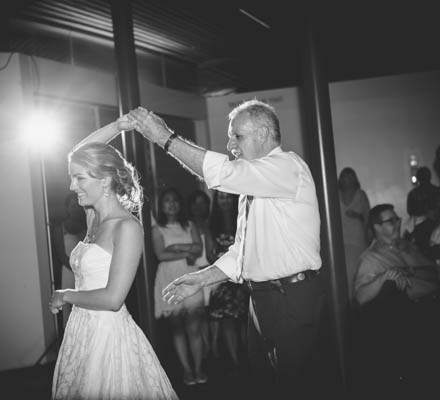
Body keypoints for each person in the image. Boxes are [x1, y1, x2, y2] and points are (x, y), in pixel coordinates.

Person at [127, 100, 325, 398]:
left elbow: (222, 173)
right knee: (265, 383)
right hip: (261, 297)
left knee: (293, 387)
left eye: (237, 136)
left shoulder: (287, 167)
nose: (230, 144)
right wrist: (201, 278)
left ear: (263, 133)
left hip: (290, 297)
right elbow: (242, 252)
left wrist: (163, 137)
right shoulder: (257, 182)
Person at [48, 117, 178, 399]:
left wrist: (66, 295)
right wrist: (118, 127)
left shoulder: (127, 228)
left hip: (108, 335)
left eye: (79, 178)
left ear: (104, 179)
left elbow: (112, 298)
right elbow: (79, 151)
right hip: (81, 329)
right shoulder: (93, 214)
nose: (72, 186)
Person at [352, 203, 439, 395]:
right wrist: (384, 277)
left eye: (397, 219)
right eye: (390, 221)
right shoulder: (370, 258)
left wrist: (408, 269)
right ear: (377, 227)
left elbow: (434, 273)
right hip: (411, 319)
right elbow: (360, 297)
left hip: (434, 305)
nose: (398, 224)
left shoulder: (407, 247)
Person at [152, 187, 208, 386]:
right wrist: (186, 252)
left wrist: (175, 247)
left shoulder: (190, 224)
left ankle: (199, 368)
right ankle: (187, 370)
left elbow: (198, 248)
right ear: (162, 205)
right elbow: (161, 255)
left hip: (190, 277)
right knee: (177, 328)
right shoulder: (157, 229)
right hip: (168, 277)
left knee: (194, 327)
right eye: (167, 200)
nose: (171, 204)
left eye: (175, 200)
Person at [207, 189, 249, 371]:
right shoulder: (212, 224)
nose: (224, 201)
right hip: (222, 279)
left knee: (244, 319)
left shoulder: (241, 220)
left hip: (242, 276)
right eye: (221, 197)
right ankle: (235, 361)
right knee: (228, 321)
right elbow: (209, 254)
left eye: (227, 197)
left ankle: (248, 356)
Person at [50, 192, 86, 332]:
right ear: (67, 208)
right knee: (68, 305)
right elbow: (60, 253)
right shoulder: (60, 228)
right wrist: (74, 268)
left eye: (77, 205)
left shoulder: (87, 225)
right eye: (72, 205)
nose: (75, 208)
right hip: (68, 270)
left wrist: (82, 269)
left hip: (84, 270)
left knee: (83, 302)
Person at [186, 189, 216, 357]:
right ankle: (203, 351)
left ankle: (211, 348)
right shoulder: (188, 225)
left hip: (211, 274)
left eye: (203, 203)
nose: (199, 207)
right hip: (194, 274)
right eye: (195, 203)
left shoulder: (211, 224)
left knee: (211, 316)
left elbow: (212, 253)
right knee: (198, 316)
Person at [337, 167, 371, 301]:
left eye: (350, 176)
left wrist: (357, 215)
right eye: (345, 176)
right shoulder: (335, 193)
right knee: (343, 275)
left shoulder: (361, 194)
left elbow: (368, 218)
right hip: (340, 241)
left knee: (357, 274)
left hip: (357, 241)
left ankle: (357, 303)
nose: (347, 178)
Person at [402, 166, 440, 259]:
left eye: (424, 176)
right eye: (421, 176)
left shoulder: (437, 191)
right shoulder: (414, 193)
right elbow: (410, 211)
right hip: (419, 226)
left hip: (435, 224)